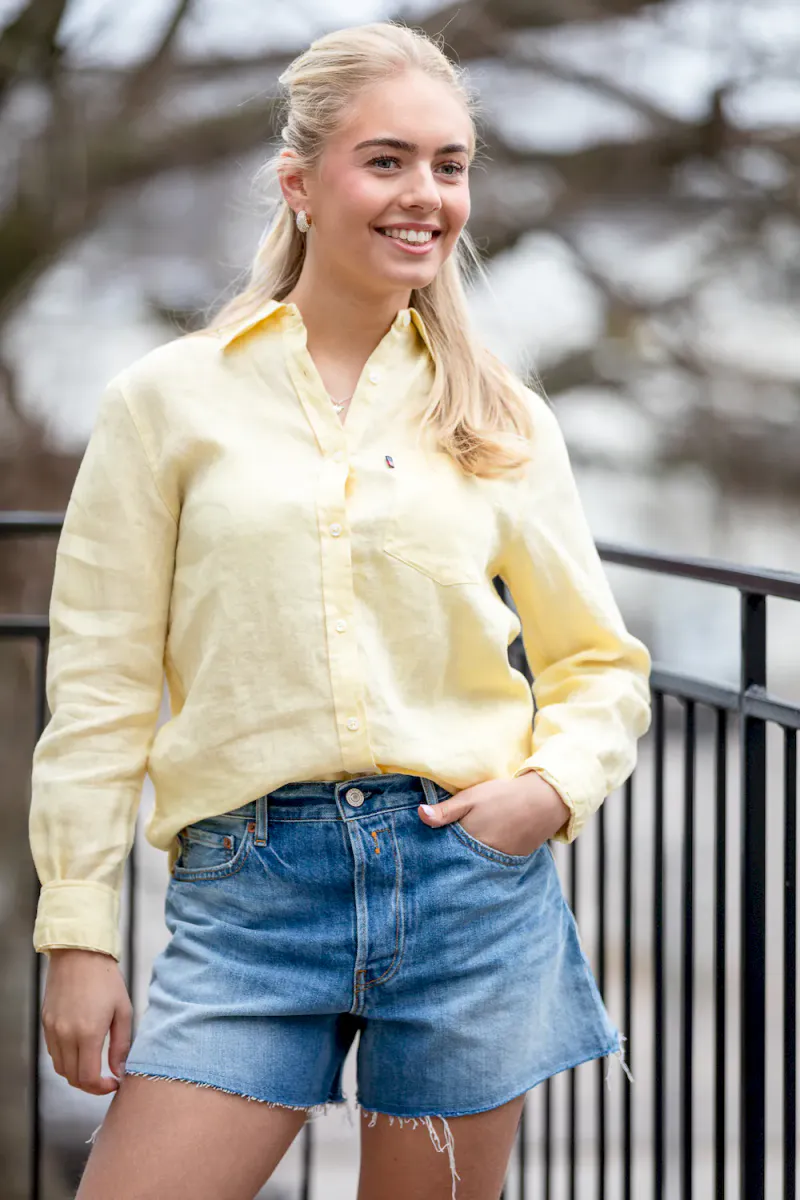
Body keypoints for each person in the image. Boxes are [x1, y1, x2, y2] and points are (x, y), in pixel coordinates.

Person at [29, 19, 651, 1200]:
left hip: (465, 889)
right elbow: (102, 682)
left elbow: (598, 666)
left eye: (449, 164)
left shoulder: (502, 420)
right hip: (250, 904)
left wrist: (544, 792)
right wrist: (79, 930)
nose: (425, 195)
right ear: (300, 183)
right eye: (387, 161)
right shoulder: (166, 403)